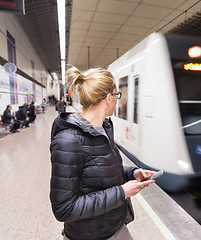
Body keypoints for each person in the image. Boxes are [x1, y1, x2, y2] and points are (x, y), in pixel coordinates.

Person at [50, 66, 156, 240]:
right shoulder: (68, 142)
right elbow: (64, 209)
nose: (118, 100)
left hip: (116, 227)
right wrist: (122, 192)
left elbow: (103, 171)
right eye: (117, 95)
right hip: (89, 235)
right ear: (108, 98)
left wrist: (134, 173)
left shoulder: (103, 129)